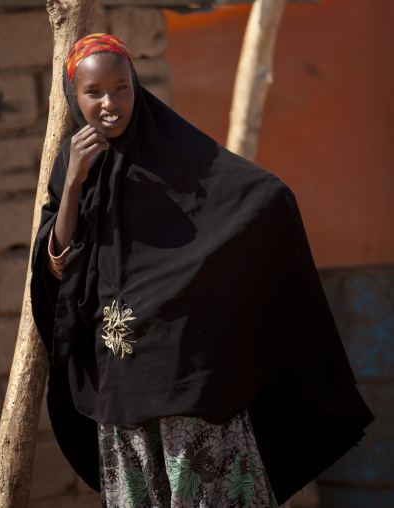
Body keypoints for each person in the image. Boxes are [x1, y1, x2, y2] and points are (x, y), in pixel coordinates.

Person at [31, 34, 373, 508]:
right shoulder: (72, 162)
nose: (110, 103)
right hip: (122, 384)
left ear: (137, 88)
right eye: (94, 92)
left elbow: (257, 199)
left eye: (122, 88)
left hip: (188, 384)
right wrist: (72, 184)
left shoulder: (177, 155)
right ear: (74, 95)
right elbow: (58, 266)